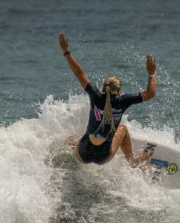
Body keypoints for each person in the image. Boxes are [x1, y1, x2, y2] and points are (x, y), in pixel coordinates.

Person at [59, 33, 157, 166]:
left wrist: (66, 51)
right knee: (122, 128)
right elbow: (150, 93)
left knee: (71, 140)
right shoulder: (123, 101)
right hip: (104, 156)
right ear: (119, 91)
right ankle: (132, 161)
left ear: (104, 88)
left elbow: (79, 73)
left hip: (83, 152)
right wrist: (152, 73)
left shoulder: (95, 95)